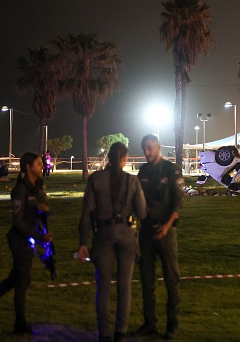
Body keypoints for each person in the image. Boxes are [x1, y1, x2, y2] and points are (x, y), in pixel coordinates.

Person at [77, 143, 147, 342]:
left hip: (103, 235)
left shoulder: (95, 179)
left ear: (108, 157)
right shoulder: (132, 181)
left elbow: (86, 214)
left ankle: (104, 333)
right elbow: (142, 213)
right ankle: (121, 332)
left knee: (103, 287)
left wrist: (83, 242)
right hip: (127, 235)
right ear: (124, 159)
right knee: (125, 285)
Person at [0, 152, 53, 335]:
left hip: (27, 240)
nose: (41, 166)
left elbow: (35, 214)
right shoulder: (20, 190)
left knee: (16, 278)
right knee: (22, 280)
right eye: (38, 164)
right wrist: (39, 237)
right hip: (19, 240)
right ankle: (19, 324)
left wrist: (42, 211)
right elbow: (18, 222)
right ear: (29, 167)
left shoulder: (35, 189)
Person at [133, 135, 183, 340]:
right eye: (144, 149)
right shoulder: (142, 172)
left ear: (158, 147)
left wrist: (167, 226)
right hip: (146, 232)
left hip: (166, 232)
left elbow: (178, 203)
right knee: (147, 280)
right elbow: (137, 201)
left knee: (171, 279)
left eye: (150, 148)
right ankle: (149, 323)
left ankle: (172, 325)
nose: (146, 153)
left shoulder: (172, 170)